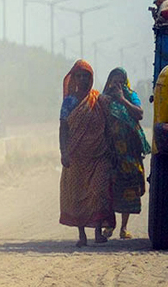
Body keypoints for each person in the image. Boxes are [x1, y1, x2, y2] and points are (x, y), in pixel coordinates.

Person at [59, 59, 115, 247]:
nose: (82, 79)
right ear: (74, 78)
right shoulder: (69, 102)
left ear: (91, 79)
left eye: (86, 76)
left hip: (99, 154)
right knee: (77, 195)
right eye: (79, 76)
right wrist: (63, 152)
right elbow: (63, 128)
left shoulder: (98, 100)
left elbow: (108, 125)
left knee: (98, 192)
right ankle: (82, 235)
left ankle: (98, 232)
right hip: (76, 155)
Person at [102, 67, 150, 240]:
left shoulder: (131, 96)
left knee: (128, 187)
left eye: (121, 81)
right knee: (109, 189)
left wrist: (122, 99)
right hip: (110, 151)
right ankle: (109, 226)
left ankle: (124, 227)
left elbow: (140, 114)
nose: (117, 84)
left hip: (129, 152)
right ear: (109, 81)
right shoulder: (103, 99)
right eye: (114, 81)